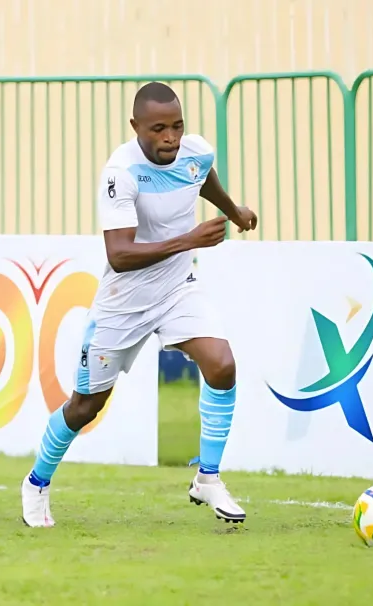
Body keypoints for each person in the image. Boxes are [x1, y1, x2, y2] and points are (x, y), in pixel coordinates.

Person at [20, 82, 258, 528]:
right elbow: (119, 256)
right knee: (85, 408)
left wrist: (234, 210)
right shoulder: (120, 173)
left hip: (177, 289)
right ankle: (36, 483)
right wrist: (191, 238)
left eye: (178, 126)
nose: (171, 137)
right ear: (136, 128)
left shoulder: (195, 152)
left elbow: (202, 176)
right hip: (122, 303)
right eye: (159, 129)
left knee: (222, 365)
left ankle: (207, 477)